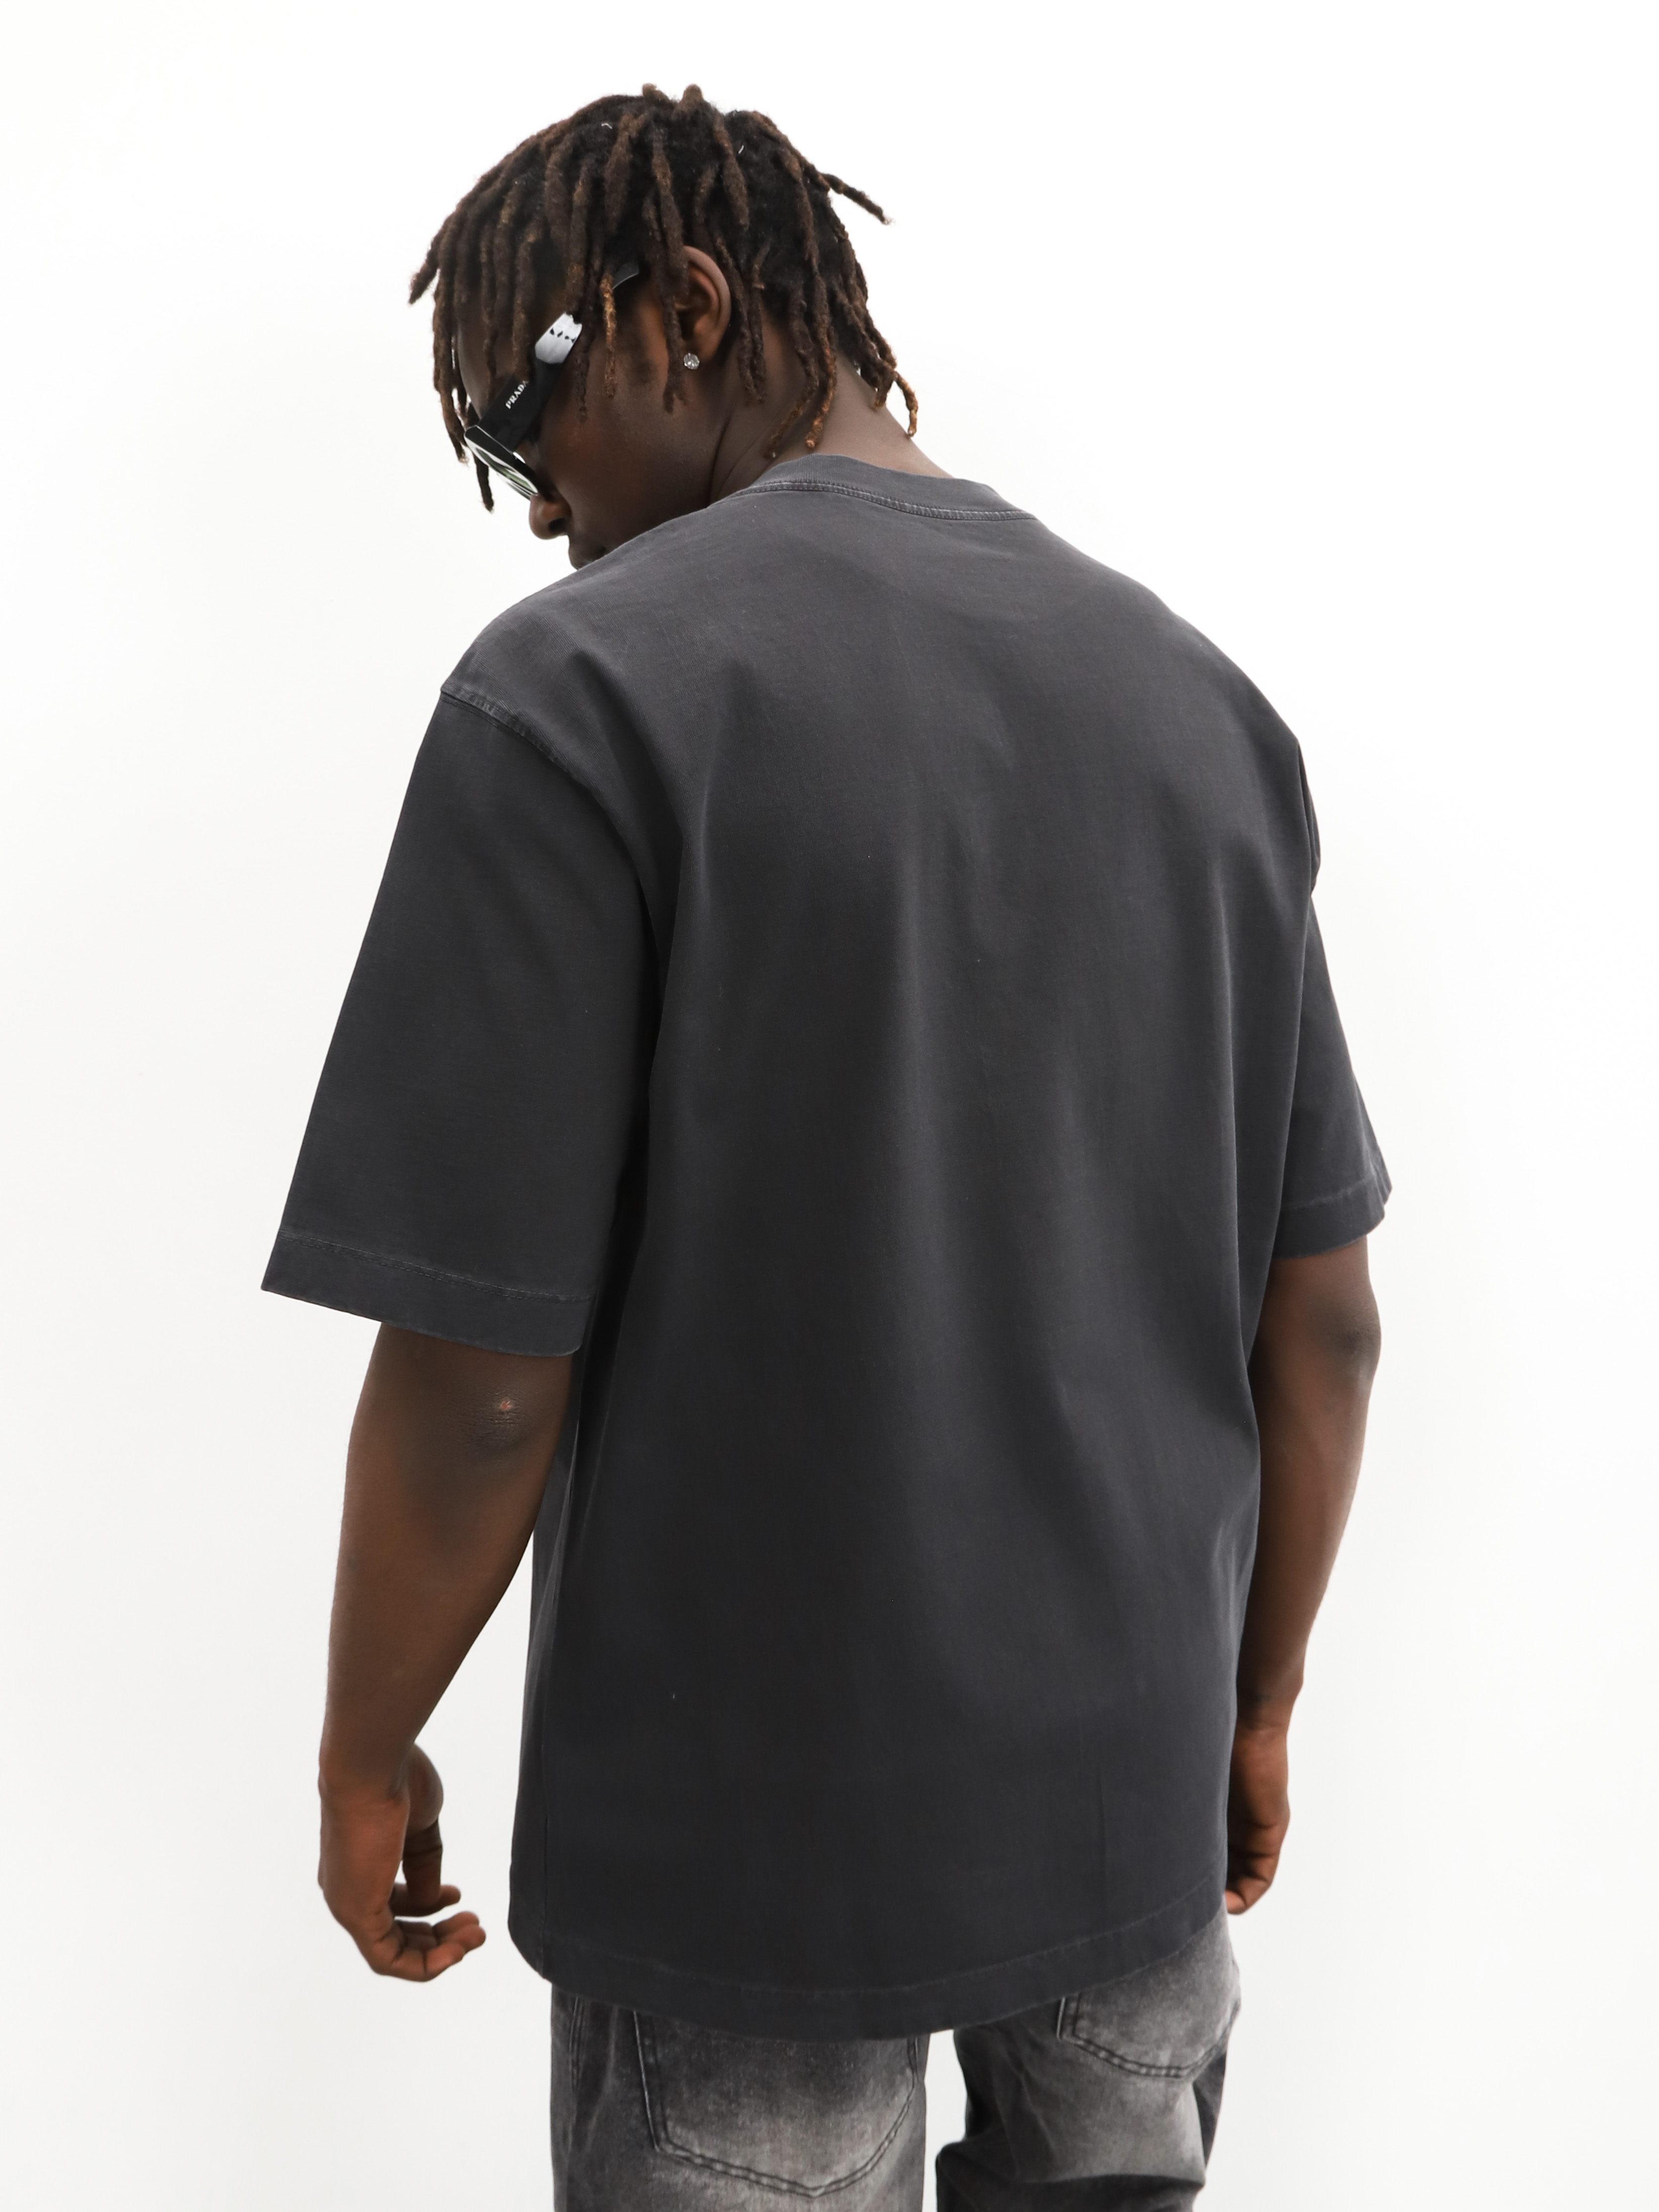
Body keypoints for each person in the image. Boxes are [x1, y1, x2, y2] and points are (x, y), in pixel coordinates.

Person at [265, 83, 1387, 2210]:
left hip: (746, 1884)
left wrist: (365, 1738)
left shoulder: (574, 700)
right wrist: (1253, 1707)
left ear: (684, 307)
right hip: (1127, 1842)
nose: (530, 503)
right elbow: (1320, 1319)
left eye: (520, 415)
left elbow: (484, 1374)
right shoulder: (1197, 703)